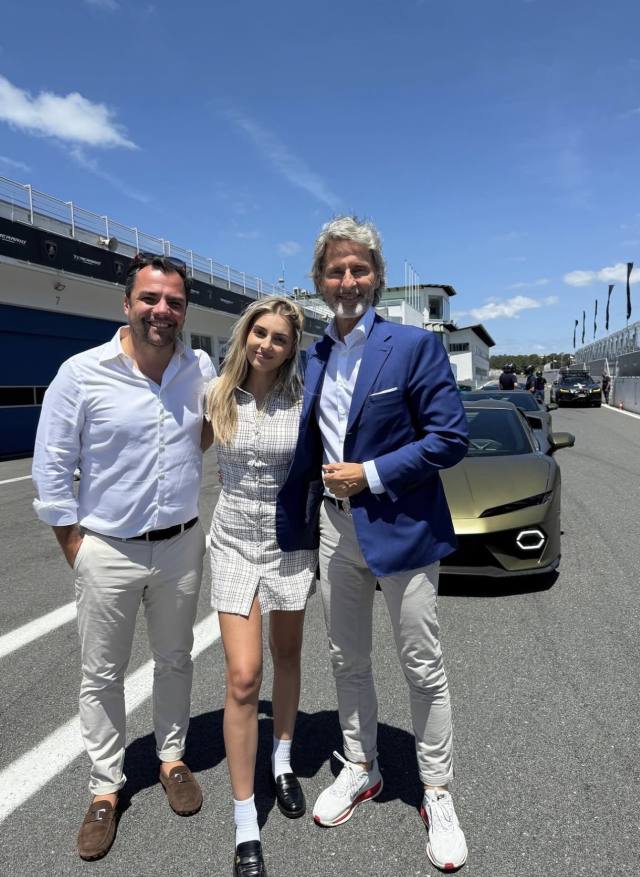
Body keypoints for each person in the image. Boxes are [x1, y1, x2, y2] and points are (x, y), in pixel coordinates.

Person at [277, 217, 470, 872]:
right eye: (335, 270)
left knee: (422, 663)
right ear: (319, 281)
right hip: (337, 528)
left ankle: (436, 789)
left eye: (359, 268)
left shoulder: (412, 346)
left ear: (378, 277)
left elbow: (449, 436)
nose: (348, 280)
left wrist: (373, 473)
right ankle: (362, 765)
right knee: (346, 657)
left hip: (403, 528)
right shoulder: (313, 355)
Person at [32, 253, 214, 861]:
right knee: (101, 675)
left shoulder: (199, 367)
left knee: (175, 658)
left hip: (181, 543)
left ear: (184, 310)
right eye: (150, 298)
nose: (162, 310)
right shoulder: (81, 373)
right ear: (127, 304)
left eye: (174, 302)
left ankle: (171, 758)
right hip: (107, 547)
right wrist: (75, 546)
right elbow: (52, 466)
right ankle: (106, 787)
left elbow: (208, 429)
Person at [205, 296, 317, 877]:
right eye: (259, 332)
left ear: (292, 348)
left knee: (287, 654)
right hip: (231, 542)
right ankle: (245, 818)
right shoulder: (216, 395)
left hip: (289, 543)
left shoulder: (304, 400)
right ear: (245, 334)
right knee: (245, 677)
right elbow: (172, 450)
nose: (266, 345)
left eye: (279, 338)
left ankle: (283, 758)